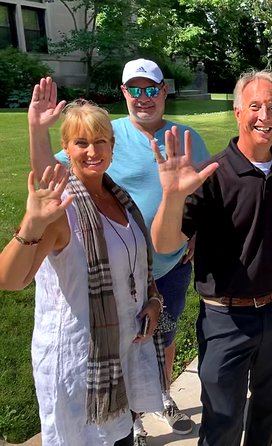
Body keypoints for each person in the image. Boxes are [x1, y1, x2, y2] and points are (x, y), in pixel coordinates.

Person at [28, 59, 210, 442]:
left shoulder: (187, 137)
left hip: (169, 266)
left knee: (163, 334)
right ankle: (131, 418)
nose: (144, 98)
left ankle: (158, 394)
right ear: (125, 93)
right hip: (112, 266)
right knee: (123, 341)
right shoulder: (105, 135)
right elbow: (51, 176)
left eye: (151, 89)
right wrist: (36, 130)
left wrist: (195, 233)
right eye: (135, 90)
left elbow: (202, 194)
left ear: (164, 91)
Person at [150, 70, 272, 446]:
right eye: (255, 107)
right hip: (225, 318)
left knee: (267, 411)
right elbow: (164, 244)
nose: (265, 116)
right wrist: (172, 197)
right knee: (223, 422)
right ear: (238, 112)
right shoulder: (211, 174)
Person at [0, 100, 166, 445]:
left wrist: (153, 299)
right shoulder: (63, 210)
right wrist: (31, 223)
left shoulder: (120, 199)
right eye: (81, 142)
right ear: (66, 148)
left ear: (112, 146)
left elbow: (135, 265)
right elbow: (10, 280)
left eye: (101, 141)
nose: (93, 151)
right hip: (79, 369)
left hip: (118, 359)